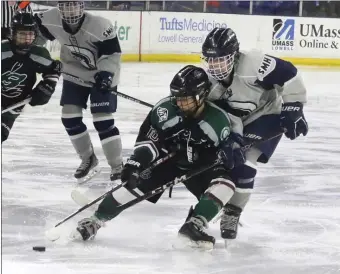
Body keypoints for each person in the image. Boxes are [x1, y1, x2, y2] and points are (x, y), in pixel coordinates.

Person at [74, 65, 246, 249]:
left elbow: (231, 153)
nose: (179, 103)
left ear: (201, 95)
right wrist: (135, 164)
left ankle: (194, 225)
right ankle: (95, 220)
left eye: (186, 99)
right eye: (177, 97)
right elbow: (149, 141)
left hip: (200, 165)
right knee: (132, 184)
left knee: (225, 185)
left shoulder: (217, 121)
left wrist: (227, 154)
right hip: (168, 160)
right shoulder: (164, 111)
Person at [201, 27, 308, 240]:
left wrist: (294, 106)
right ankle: (213, 204)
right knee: (226, 162)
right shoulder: (208, 84)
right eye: (210, 60)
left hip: (268, 113)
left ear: (234, 56)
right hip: (238, 121)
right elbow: (221, 116)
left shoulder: (254, 63)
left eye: (221, 60)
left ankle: (232, 212)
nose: (215, 66)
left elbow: (289, 73)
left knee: (246, 164)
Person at [34, 1, 123, 183]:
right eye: (66, 5)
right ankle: (88, 159)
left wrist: (106, 74)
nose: (70, 10)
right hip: (74, 72)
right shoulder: (51, 18)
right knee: (69, 117)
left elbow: (112, 54)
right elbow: (37, 39)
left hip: (102, 75)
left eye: (74, 5)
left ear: (82, 6)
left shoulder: (100, 25)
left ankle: (117, 165)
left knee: (102, 119)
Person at [1, 11, 61, 143]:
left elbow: (54, 70)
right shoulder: (2, 50)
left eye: (30, 34)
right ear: (13, 33)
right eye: (22, 34)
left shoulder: (39, 54)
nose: (27, 38)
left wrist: (47, 87)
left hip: (14, 105)